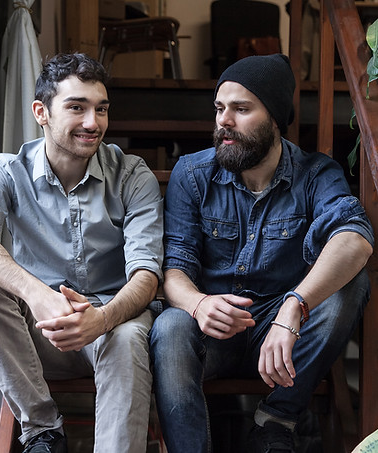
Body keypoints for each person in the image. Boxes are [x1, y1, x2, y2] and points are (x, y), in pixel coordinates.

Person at [150, 53, 374, 453]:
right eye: (220, 108)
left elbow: (354, 240)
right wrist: (199, 304)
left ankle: (275, 421)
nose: (224, 121)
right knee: (168, 326)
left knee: (351, 283)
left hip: (281, 334)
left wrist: (294, 307)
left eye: (241, 109)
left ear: (274, 117)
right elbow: (173, 269)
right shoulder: (192, 174)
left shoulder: (316, 174)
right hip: (211, 331)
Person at [0, 53, 163, 453]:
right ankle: (43, 431)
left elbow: (147, 276)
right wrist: (38, 295)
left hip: (113, 324)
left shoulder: (133, 175)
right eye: (76, 108)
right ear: (41, 112)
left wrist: (101, 319)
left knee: (130, 338)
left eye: (101, 109)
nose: (92, 122)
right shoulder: (7, 170)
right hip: (36, 335)